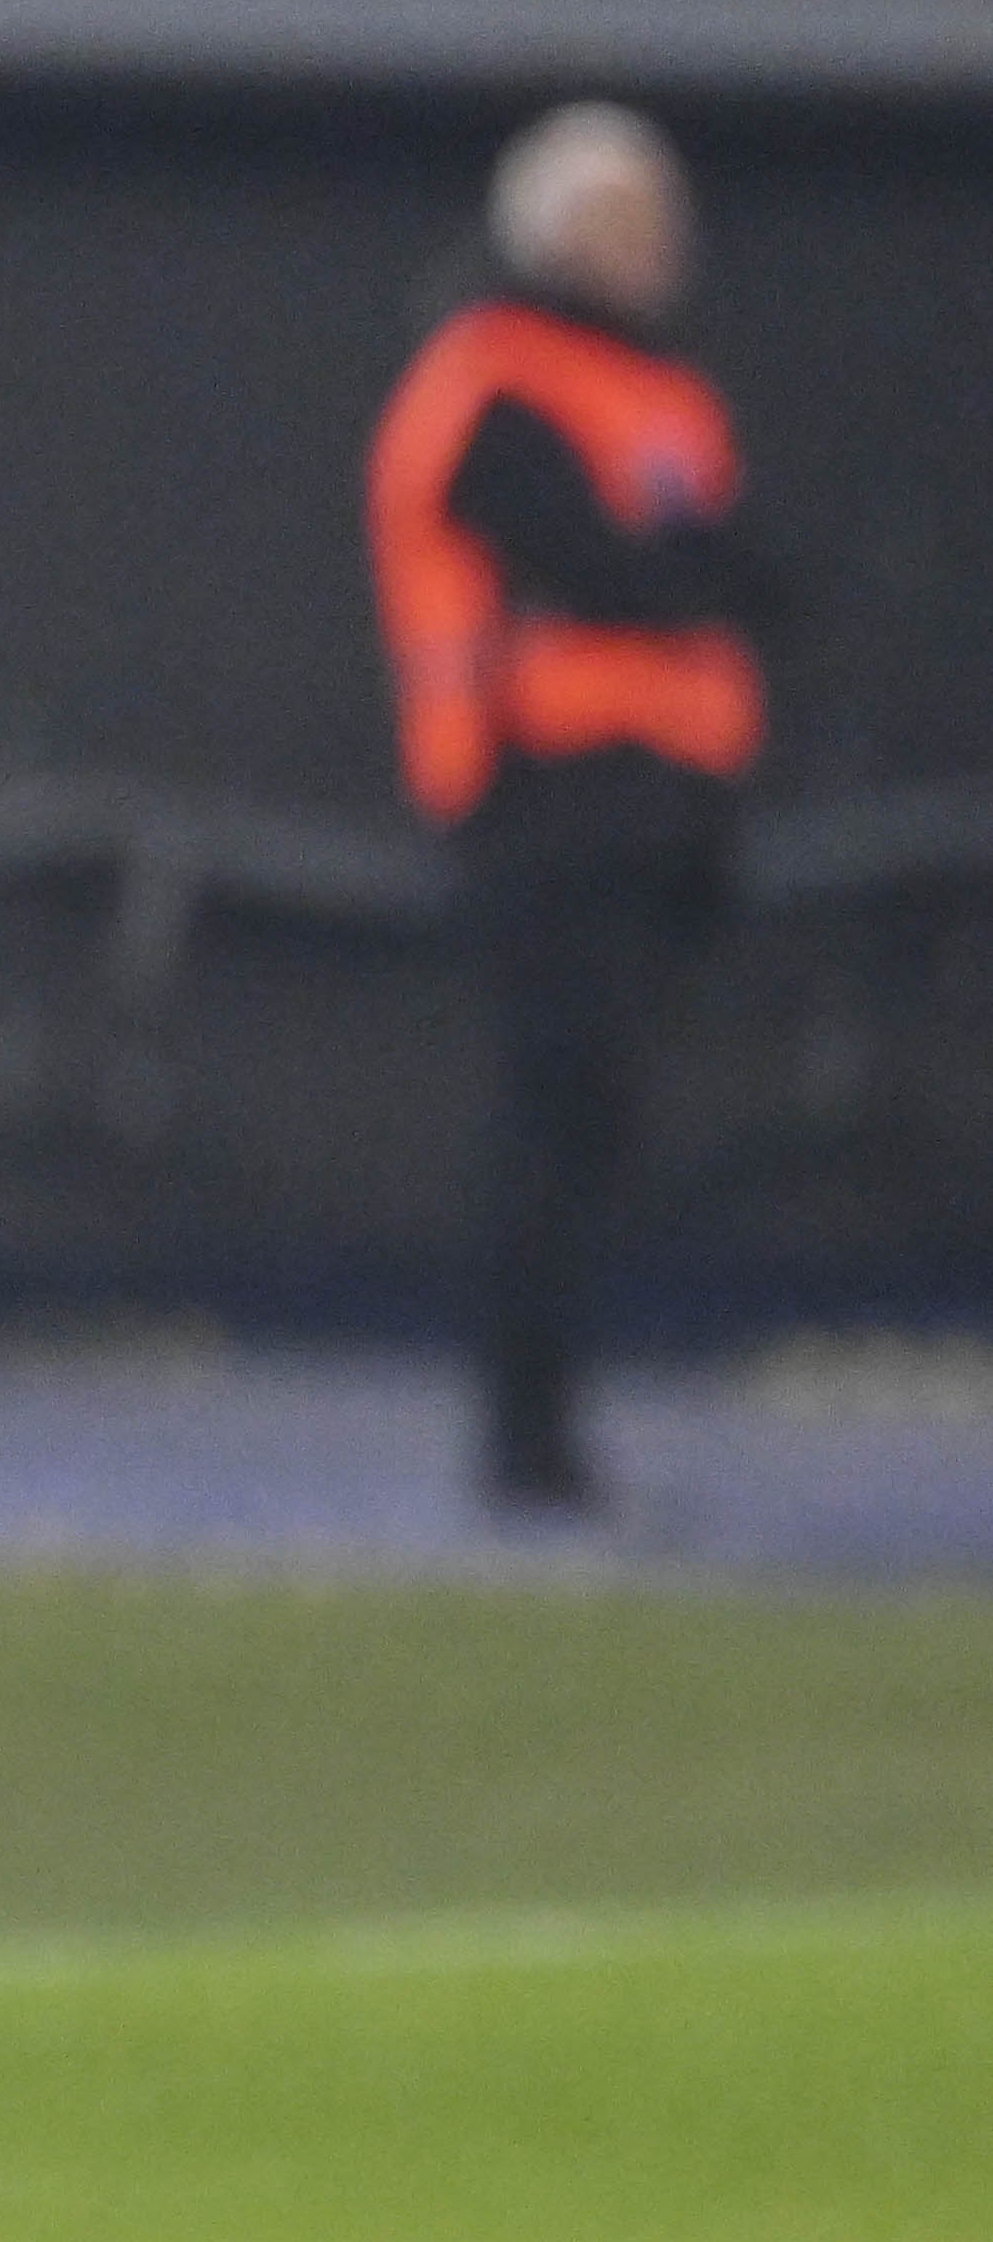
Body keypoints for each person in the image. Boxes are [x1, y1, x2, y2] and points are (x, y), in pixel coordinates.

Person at [365, 102, 773, 1518]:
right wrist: (693, 586)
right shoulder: (495, 375)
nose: (653, 250)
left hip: (660, 801)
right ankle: (521, 1440)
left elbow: (723, 572)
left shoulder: (659, 389)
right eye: (620, 221)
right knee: (551, 1112)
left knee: (599, 1120)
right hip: (542, 796)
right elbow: (617, 570)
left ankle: (551, 1429)